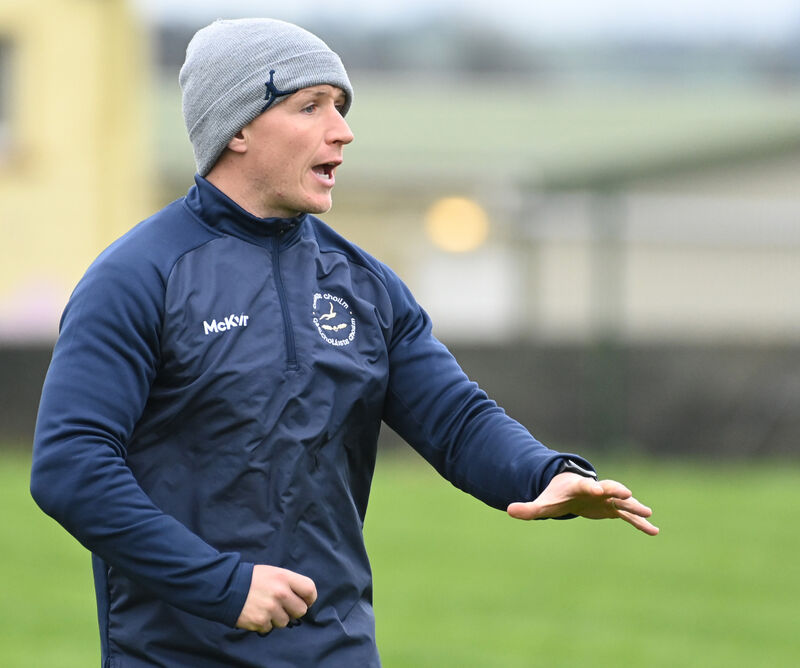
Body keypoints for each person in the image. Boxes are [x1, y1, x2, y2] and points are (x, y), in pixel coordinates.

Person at [30, 18, 658, 668]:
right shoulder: (138, 277)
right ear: (237, 127)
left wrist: (546, 473)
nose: (343, 130)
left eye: (341, 107)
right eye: (311, 106)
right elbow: (70, 467)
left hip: (339, 649)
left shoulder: (364, 284)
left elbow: (457, 419)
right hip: (178, 653)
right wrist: (220, 584)